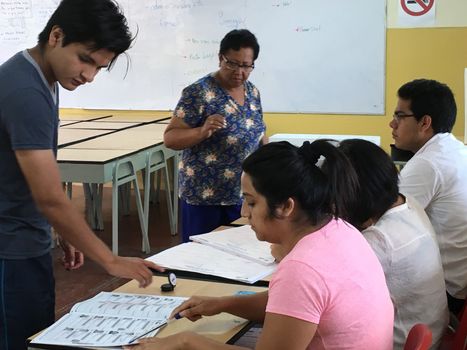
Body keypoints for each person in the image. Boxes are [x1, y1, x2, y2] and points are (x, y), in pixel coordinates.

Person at [0, 1, 163, 349]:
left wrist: (62, 228)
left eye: (99, 68)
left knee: (34, 335)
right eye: (86, 60)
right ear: (56, 36)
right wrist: (109, 259)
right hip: (9, 248)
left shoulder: (43, 76)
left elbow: (36, 178)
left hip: (27, 239)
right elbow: (49, 197)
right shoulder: (25, 90)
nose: (89, 76)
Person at [125, 140, 394, 350]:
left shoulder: (302, 268)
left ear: (286, 206)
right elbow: (292, 306)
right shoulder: (339, 228)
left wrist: (187, 342)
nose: (244, 212)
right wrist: (223, 304)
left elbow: (297, 294)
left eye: (252, 202)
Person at [339, 139, 448, 350]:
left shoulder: (378, 240)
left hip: (400, 341)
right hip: (431, 331)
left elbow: (325, 288)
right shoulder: (407, 203)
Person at [164, 29, 266, 242]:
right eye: (233, 63)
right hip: (204, 195)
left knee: (237, 253)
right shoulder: (198, 92)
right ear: (221, 58)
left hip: (241, 194)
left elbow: (259, 132)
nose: (239, 71)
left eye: (246, 65)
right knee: (199, 257)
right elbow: (171, 138)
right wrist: (202, 131)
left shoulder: (253, 92)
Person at [390, 79, 467, 314]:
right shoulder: (455, 149)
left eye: (400, 116)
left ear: (425, 122)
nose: (391, 124)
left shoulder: (427, 163)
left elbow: (386, 229)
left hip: (449, 292)